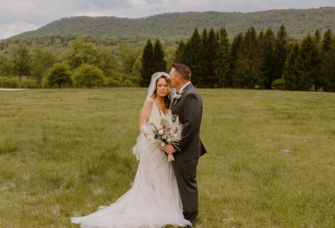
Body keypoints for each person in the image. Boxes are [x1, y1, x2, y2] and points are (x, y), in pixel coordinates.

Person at [71, 72, 191, 228]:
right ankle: (145, 209)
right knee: (150, 178)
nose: (163, 88)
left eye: (165, 85)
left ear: (169, 87)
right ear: (155, 87)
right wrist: (157, 140)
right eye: (160, 85)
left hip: (165, 147)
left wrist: (168, 138)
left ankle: (165, 208)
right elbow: (142, 125)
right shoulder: (150, 101)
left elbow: (171, 124)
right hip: (152, 147)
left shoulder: (169, 103)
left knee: (164, 177)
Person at [164, 63, 207, 227]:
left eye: (170, 75)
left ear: (178, 78)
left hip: (187, 151)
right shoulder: (181, 93)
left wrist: (176, 146)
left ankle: (189, 220)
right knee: (183, 183)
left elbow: (192, 126)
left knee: (188, 185)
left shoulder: (191, 96)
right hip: (182, 149)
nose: (169, 78)